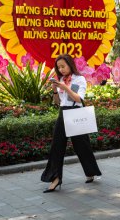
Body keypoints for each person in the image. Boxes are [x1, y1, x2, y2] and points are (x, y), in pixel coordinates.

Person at [41, 54, 102, 192]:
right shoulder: (61, 80)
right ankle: (55, 178)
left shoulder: (79, 79)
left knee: (82, 146)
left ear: (70, 64)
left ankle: (90, 172)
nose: (61, 70)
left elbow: (79, 99)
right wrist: (55, 90)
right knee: (57, 145)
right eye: (59, 67)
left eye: (63, 66)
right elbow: (58, 103)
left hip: (76, 113)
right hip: (63, 113)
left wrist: (65, 87)